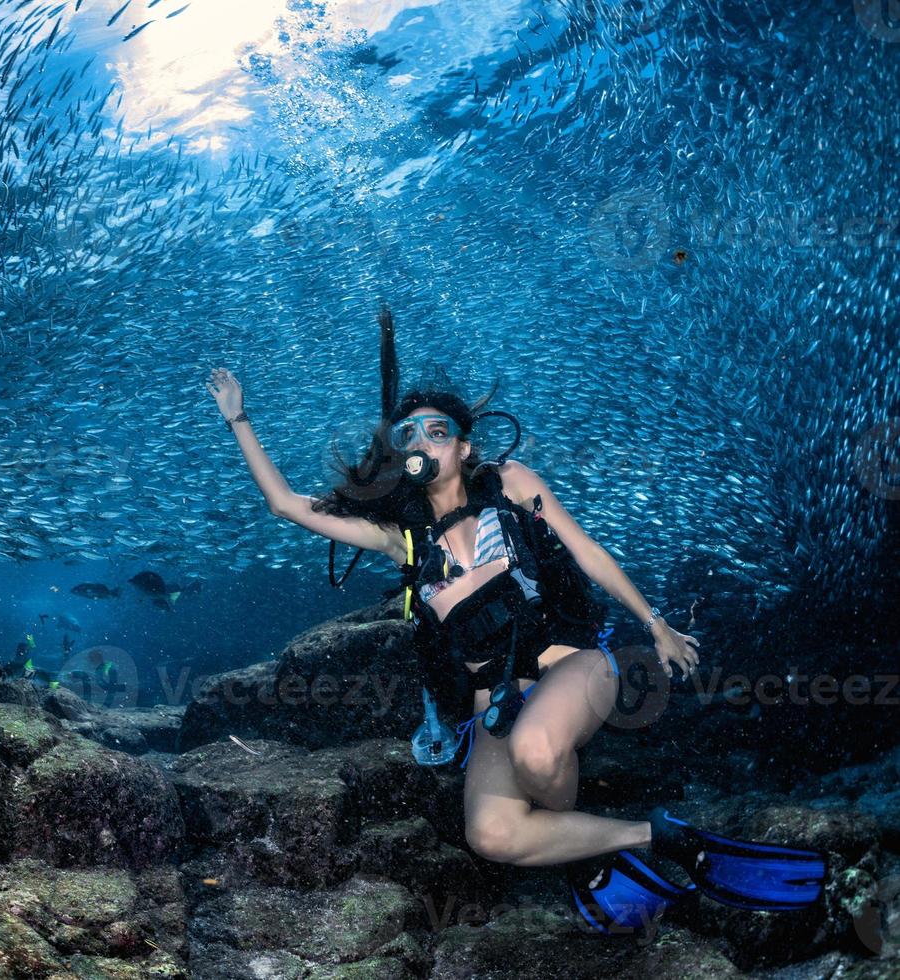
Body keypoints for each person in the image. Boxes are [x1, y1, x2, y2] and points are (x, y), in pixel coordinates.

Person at [206, 337, 826, 937]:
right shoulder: (404, 540)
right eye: (409, 434)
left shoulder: (510, 484)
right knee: (492, 835)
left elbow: (587, 552)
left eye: (437, 430)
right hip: (491, 707)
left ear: (465, 448)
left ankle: (583, 854)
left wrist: (656, 624)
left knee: (536, 751)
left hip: (575, 670)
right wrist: (239, 419)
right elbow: (286, 504)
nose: (422, 439)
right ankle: (655, 837)